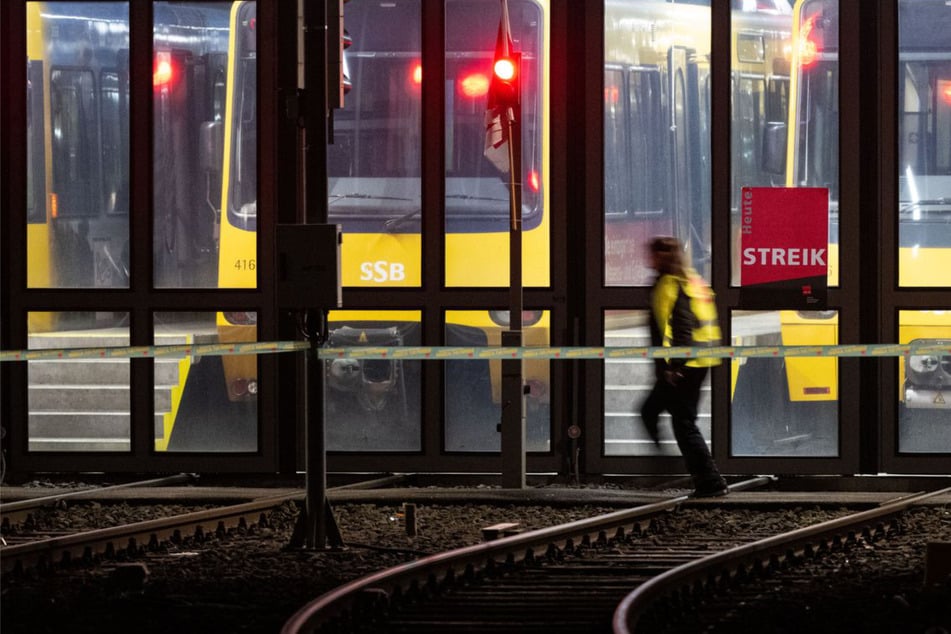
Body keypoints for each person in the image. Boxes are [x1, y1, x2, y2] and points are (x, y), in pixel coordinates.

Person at [640, 236, 729, 498]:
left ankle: (710, 482)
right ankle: (663, 463)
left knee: (683, 423)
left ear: (659, 257)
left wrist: (675, 366)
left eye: (652, 255)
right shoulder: (692, 279)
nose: (648, 260)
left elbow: (680, 326)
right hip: (699, 360)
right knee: (651, 410)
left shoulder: (669, 284)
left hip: (684, 365)